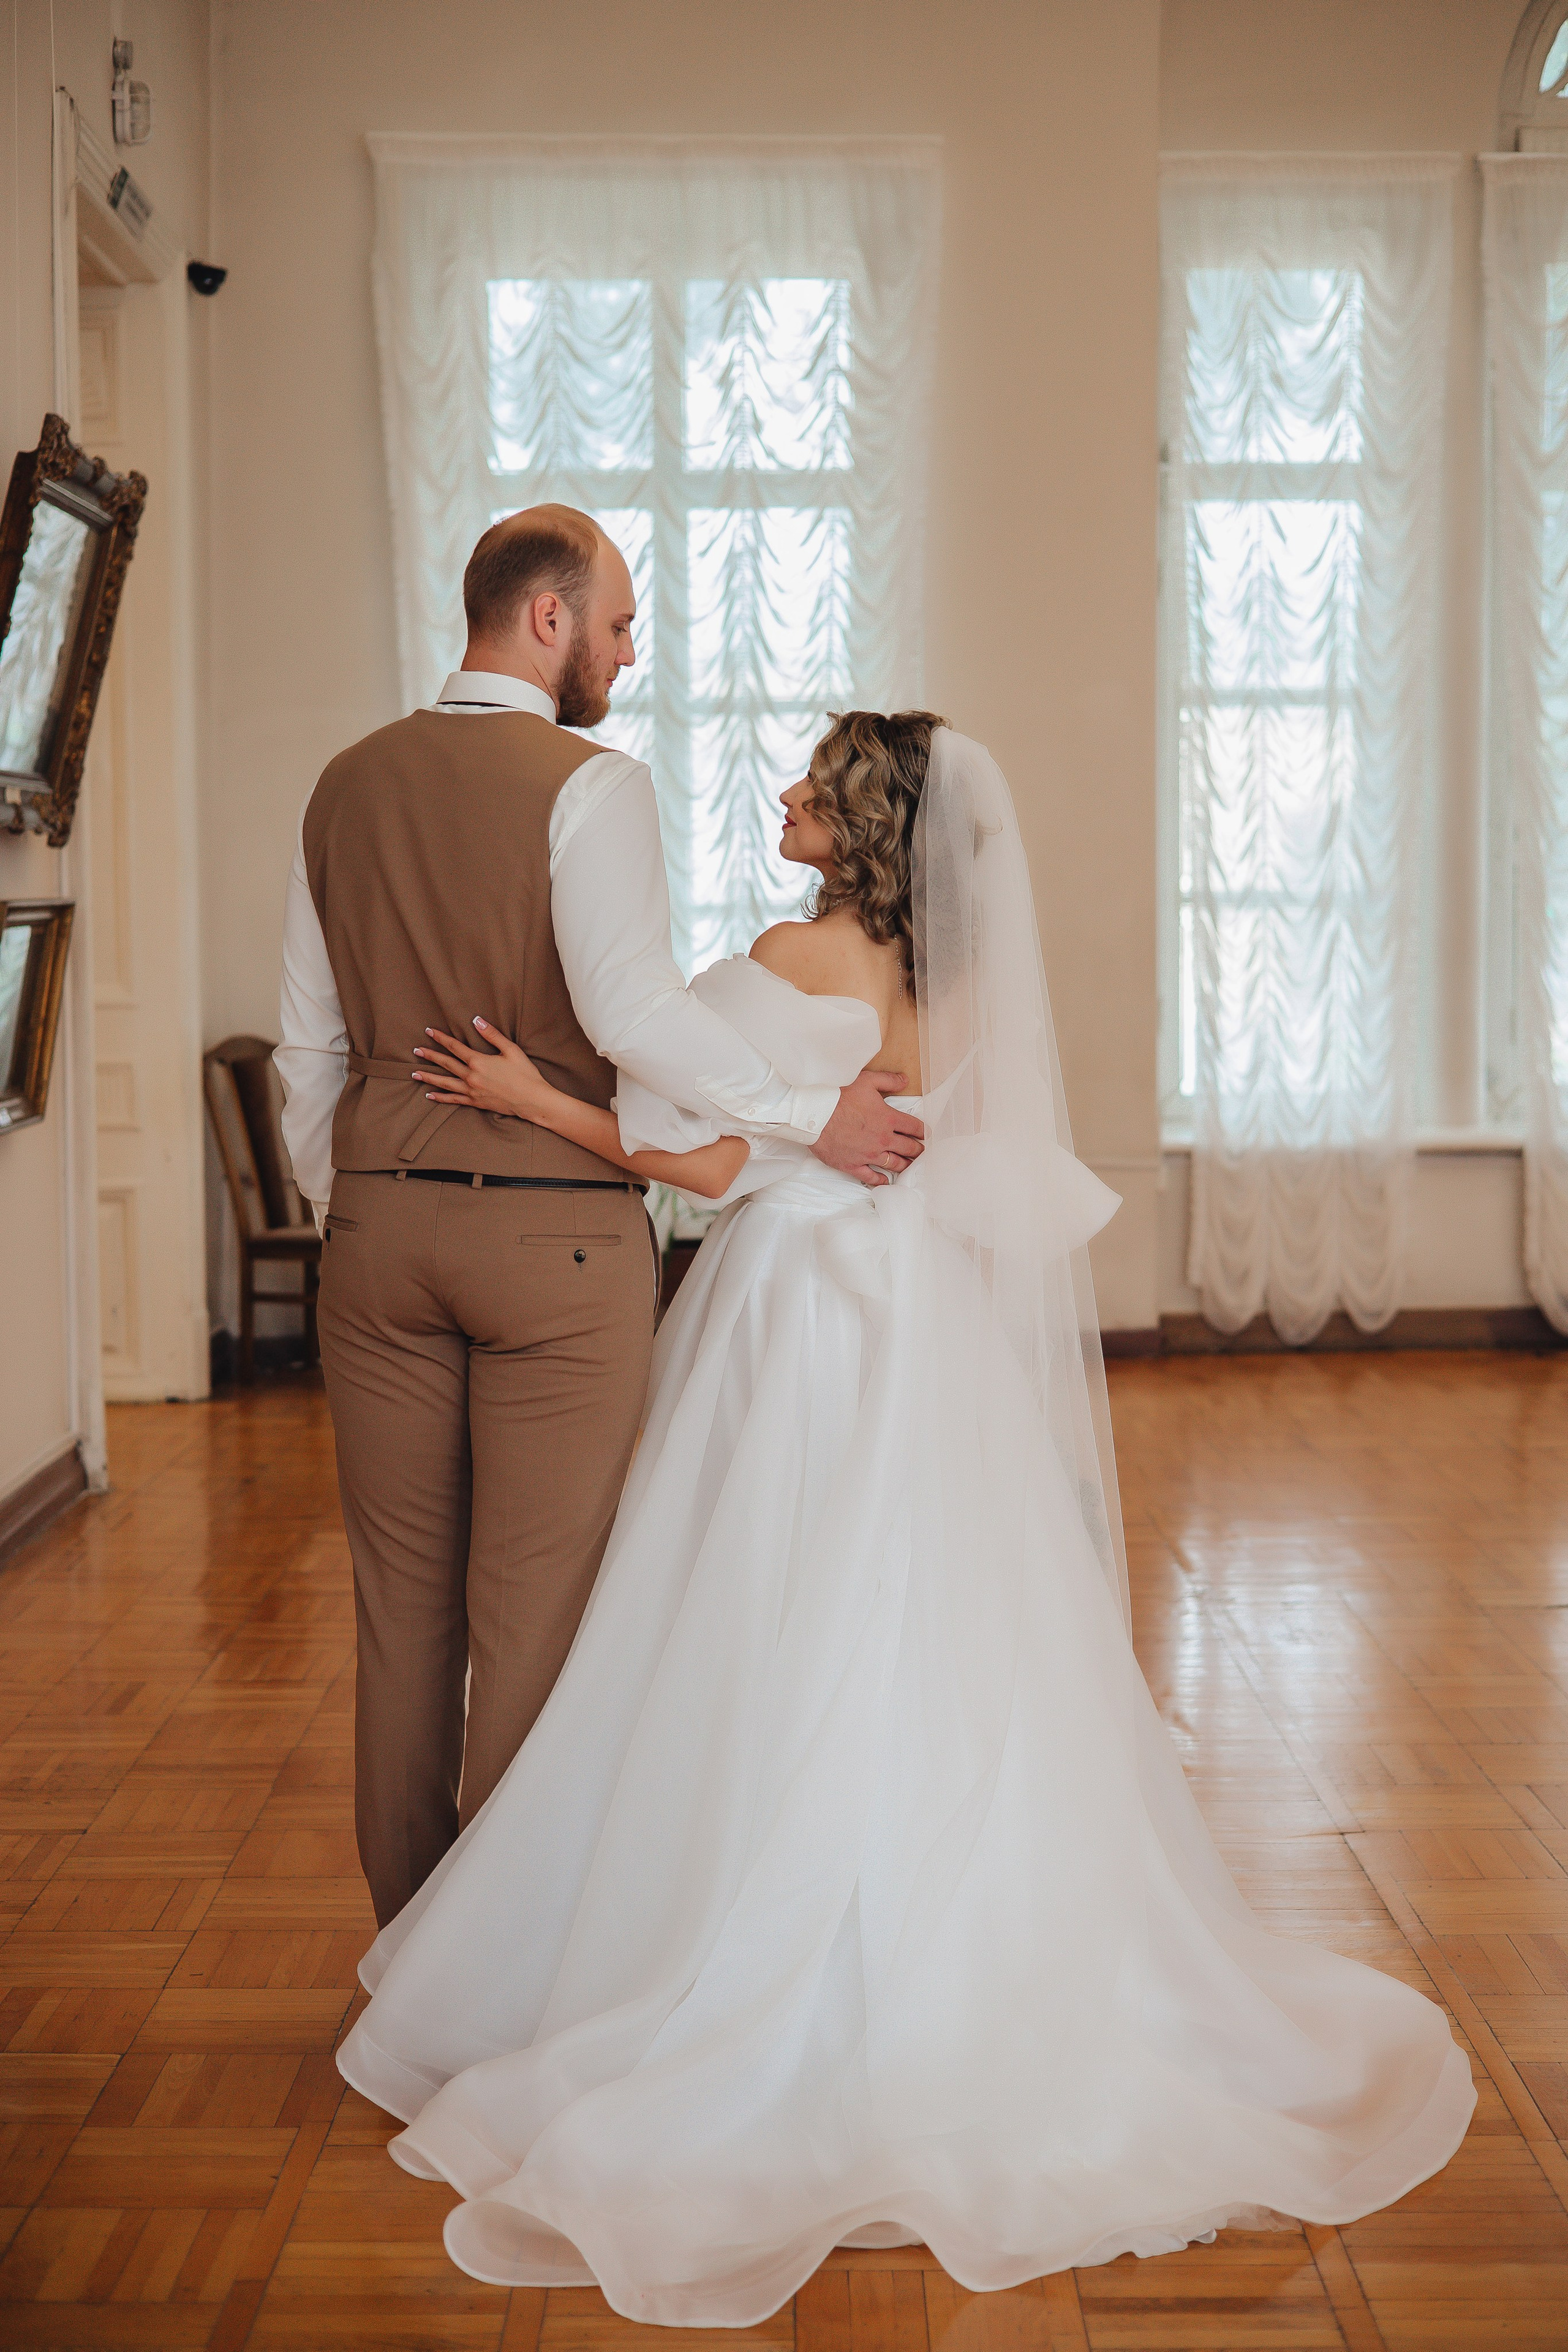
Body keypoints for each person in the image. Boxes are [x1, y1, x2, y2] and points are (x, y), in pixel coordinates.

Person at [336, 713, 1475, 2326]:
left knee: (751, 1627)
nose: (783, 794)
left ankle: (734, 1951)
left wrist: (532, 1095)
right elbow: (923, 1157)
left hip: (796, 1321)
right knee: (932, 1629)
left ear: (864, 823)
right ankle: (961, 1958)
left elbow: (693, 1150)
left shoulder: (788, 955)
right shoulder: (962, 991)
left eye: (811, 781)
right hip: (921, 1334)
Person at [274, 508, 922, 1930]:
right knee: (535, 1615)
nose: (630, 654)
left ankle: (404, 1945)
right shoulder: (592, 785)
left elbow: (306, 1054)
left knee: (402, 1617)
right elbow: (632, 1019)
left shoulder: (341, 785)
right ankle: (493, 1967)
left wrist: (358, 1200)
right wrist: (810, 1118)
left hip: (377, 1234)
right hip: (554, 1244)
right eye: (620, 625)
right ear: (549, 622)